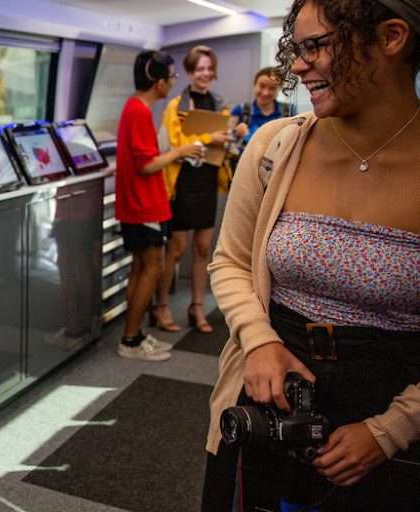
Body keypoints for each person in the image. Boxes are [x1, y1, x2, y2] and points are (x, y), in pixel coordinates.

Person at [202, 1, 420, 510]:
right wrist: (257, 342)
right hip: (271, 392)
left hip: (392, 399)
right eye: (295, 50)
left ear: (390, 38)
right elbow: (230, 261)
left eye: (317, 46)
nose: (297, 67)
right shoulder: (276, 147)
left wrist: (394, 427)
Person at [114, 50, 204, 362]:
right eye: (172, 77)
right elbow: (146, 166)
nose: (172, 83)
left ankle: (134, 334)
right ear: (159, 82)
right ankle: (130, 339)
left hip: (139, 206)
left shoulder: (134, 107)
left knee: (141, 268)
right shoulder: (139, 112)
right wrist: (180, 151)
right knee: (152, 269)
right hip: (143, 207)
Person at [153, 45, 235, 335]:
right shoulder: (177, 105)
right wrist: (210, 137)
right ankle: (161, 306)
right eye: (199, 68)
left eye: (209, 68)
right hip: (182, 181)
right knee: (176, 249)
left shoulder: (220, 104)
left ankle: (196, 307)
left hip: (208, 178)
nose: (205, 73)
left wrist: (229, 138)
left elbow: (222, 145)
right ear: (189, 72)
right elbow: (177, 144)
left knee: (203, 248)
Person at [228, 66, 288, 167]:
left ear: (279, 89)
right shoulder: (240, 110)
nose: (265, 92)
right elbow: (226, 138)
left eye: (272, 88)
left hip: (276, 168)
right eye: (262, 86)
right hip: (244, 167)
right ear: (254, 85)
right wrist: (235, 134)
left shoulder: (288, 113)